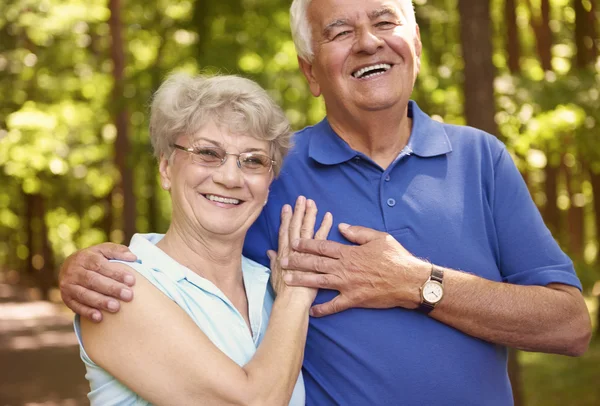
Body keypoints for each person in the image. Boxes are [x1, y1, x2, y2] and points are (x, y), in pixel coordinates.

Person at [60, 0, 592, 404]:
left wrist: (415, 283)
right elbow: (188, 254)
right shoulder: (270, 174)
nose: (367, 42)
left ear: (417, 46)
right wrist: (86, 269)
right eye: (339, 32)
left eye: (385, 23)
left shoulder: (482, 158)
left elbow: (570, 326)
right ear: (311, 71)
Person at [70, 72, 334, 405]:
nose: (229, 177)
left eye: (252, 160)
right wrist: (296, 295)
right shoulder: (117, 285)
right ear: (166, 168)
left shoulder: (269, 287)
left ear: (268, 185)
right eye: (208, 153)